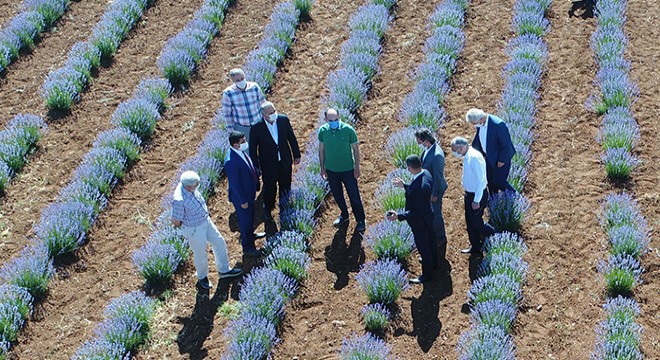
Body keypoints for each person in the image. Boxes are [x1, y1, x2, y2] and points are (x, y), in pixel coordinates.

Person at [171, 171, 242, 290]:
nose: (198, 185)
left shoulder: (188, 187)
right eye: (195, 184)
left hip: (205, 221)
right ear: (188, 186)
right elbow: (175, 221)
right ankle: (202, 277)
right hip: (194, 229)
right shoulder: (179, 199)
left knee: (219, 242)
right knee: (200, 254)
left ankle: (224, 270)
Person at [387, 155, 437, 284]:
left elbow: (415, 212)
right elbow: (418, 188)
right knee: (431, 242)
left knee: (423, 248)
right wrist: (404, 185)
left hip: (420, 222)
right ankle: (434, 263)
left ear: (409, 168)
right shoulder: (426, 173)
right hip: (428, 215)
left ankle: (427, 275)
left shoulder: (418, 189)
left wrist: (398, 216)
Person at [249, 101, 301, 221]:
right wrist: (256, 166)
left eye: (274, 111)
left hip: (284, 160)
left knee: (285, 186)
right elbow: (253, 149)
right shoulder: (256, 127)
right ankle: (268, 210)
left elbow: (291, 138)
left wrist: (296, 155)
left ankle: (284, 208)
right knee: (270, 189)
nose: (273, 114)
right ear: (264, 115)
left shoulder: (283, 120)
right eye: (270, 113)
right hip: (268, 165)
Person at [318, 108, 366, 232]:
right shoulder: (323, 131)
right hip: (331, 170)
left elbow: (355, 150)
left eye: (336, 119)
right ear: (326, 120)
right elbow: (321, 150)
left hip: (348, 170)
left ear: (339, 117)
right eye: (330, 120)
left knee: (354, 196)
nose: (333, 122)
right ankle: (344, 215)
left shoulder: (348, 130)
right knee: (337, 195)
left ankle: (360, 220)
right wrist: (322, 168)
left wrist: (357, 168)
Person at [450, 136, 496, 254]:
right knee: (470, 221)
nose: (455, 153)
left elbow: (481, 181)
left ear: (461, 148)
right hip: (469, 195)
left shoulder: (474, 157)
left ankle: (496, 235)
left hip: (477, 195)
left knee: (476, 222)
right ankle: (475, 246)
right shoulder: (467, 156)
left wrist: (476, 200)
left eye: (456, 150)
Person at [224, 131, 265, 257]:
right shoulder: (231, 161)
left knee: (250, 217)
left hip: (249, 192)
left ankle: (251, 235)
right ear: (236, 145)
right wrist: (242, 200)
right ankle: (248, 247)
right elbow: (235, 184)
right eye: (243, 141)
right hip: (242, 197)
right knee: (245, 221)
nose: (245, 143)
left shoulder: (240, 152)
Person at [414, 128, 448, 266]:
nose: (418, 143)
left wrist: (434, 194)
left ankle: (440, 237)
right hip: (429, 188)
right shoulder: (429, 149)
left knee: (436, 213)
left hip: (436, 190)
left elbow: (439, 178)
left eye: (419, 141)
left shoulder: (437, 155)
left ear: (426, 141)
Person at [465, 108, 516, 195]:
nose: (474, 126)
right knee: (490, 181)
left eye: (474, 123)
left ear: (481, 119)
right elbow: (479, 138)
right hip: (489, 157)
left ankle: (515, 195)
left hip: (500, 159)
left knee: (499, 181)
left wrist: (502, 160)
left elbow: (506, 145)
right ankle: (493, 199)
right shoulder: (480, 125)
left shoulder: (498, 125)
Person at [221, 68, 266, 142]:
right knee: (247, 150)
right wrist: (231, 132)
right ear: (233, 81)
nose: (241, 81)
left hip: (258, 123)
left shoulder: (254, 87)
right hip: (242, 127)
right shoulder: (228, 93)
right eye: (237, 80)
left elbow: (263, 103)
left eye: (242, 78)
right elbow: (227, 114)